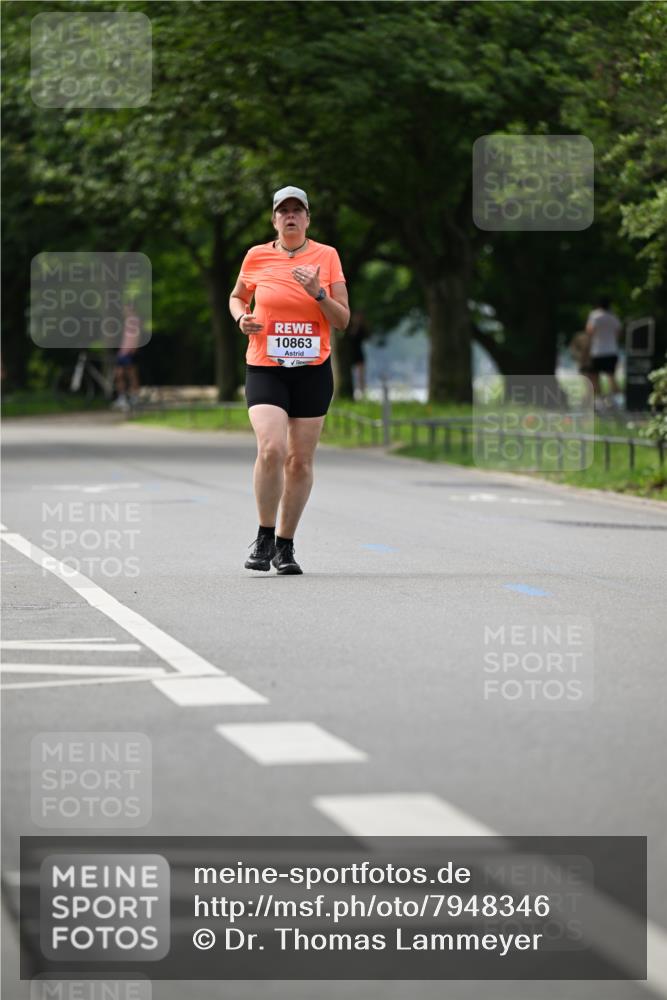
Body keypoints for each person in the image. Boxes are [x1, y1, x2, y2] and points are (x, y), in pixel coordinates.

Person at [229, 186, 350, 575]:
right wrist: (240, 318)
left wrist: (317, 292)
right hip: (266, 365)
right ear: (275, 219)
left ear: (308, 219)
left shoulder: (326, 257)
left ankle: (285, 545)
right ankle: (264, 536)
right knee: (271, 449)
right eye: (284, 211)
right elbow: (236, 297)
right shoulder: (256, 256)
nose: (291, 216)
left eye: (298, 210)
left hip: (313, 370)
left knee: (299, 462)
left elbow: (343, 319)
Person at [585, 295, 622, 407]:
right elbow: (618, 333)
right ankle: (616, 400)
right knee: (611, 376)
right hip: (612, 351)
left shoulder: (595, 315)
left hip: (598, 351)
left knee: (594, 377)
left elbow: (589, 331)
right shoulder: (613, 317)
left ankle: (599, 401)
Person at [112, 302, 142, 410]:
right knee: (119, 375)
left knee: (131, 375)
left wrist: (132, 350)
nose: (124, 312)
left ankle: (134, 397)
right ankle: (122, 398)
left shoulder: (134, 321)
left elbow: (136, 337)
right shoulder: (127, 322)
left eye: (126, 309)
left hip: (128, 353)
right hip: (122, 352)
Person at [348, 310, 370, 397]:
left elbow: (367, 336)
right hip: (350, 353)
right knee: (353, 374)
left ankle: (362, 392)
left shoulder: (362, 328)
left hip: (358, 352)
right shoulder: (349, 327)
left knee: (361, 374)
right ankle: (355, 390)